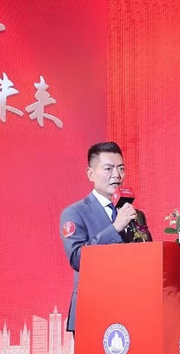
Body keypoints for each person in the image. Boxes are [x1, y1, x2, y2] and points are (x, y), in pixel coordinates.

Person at [59, 142, 151, 332]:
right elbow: (77, 258)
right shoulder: (75, 213)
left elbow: (148, 258)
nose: (116, 175)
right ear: (91, 174)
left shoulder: (134, 214)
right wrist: (115, 228)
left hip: (132, 311)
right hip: (93, 312)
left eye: (121, 169)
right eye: (108, 169)